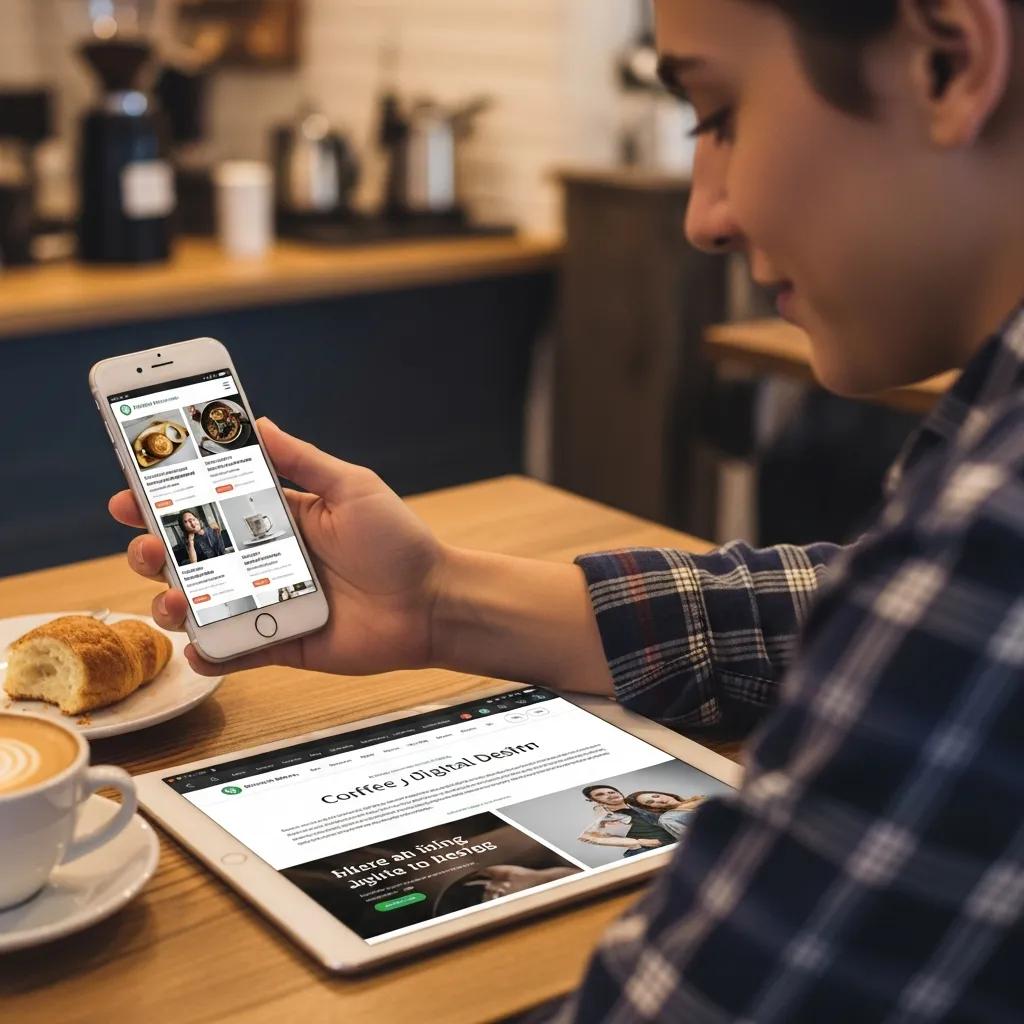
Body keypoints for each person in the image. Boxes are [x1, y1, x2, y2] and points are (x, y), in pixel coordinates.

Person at [109, 0, 1024, 1018]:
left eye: (716, 113)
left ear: (947, 62)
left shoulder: (994, 541)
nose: (702, 215)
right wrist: (441, 601)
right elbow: (844, 604)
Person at [576, 784, 675, 856]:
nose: (610, 795)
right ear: (593, 801)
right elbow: (587, 837)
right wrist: (637, 842)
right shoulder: (610, 819)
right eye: (600, 794)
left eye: (612, 792)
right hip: (659, 852)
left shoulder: (642, 803)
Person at [624, 791, 705, 842]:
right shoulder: (667, 819)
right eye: (650, 802)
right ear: (652, 809)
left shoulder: (700, 798)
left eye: (656, 796)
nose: (659, 800)